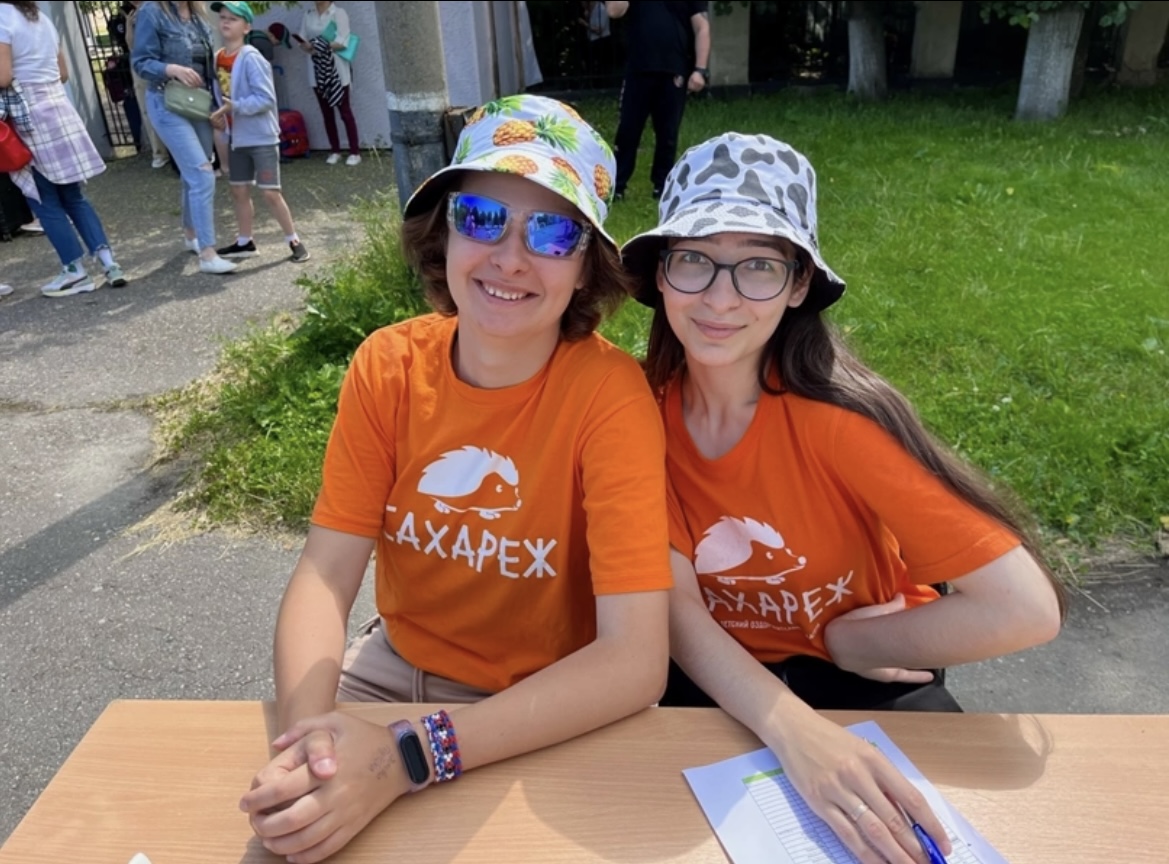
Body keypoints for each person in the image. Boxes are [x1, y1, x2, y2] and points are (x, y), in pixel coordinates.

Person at [237, 94, 670, 864]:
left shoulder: (609, 397)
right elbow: (326, 573)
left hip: (539, 700)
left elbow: (633, 662)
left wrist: (408, 756)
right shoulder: (387, 366)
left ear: (585, 269)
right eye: (481, 218)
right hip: (390, 666)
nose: (509, 258)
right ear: (443, 235)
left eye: (552, 232)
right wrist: (312, 745)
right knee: (288, 837)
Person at [622, 132, 1066, 864]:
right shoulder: (638, 412)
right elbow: (676, 610)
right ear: (661, 273)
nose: (720, 298)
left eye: (758, 266)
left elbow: (1023, 609)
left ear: (799, 284)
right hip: (712, 675)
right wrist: (792, 730)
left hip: (859, 676)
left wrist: (847, 642)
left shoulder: (841, 423)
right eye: (694, 259)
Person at [0, 0, 129, 296]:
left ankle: (75, 271)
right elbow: (63, 73)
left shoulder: (2, 16)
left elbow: (3, 76)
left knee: (44, 199)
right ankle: (109, 263)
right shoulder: (41, 18)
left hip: (29, 115)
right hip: (59, 109)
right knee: (74, 196)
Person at [132, 0, 237, 274]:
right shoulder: (152, 12)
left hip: (197, 104)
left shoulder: (199, 16)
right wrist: (172, 69)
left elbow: (207, 70)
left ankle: (191, 235)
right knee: (203, 174)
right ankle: (208, 254)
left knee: (193, 175)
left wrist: (216, 107)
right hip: (166, 101)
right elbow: (141, 62)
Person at [208, 1, 309, 263]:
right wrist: (220, 115)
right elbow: (220, 96)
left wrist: (235, 107)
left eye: (233, 18)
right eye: (223, 17)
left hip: (261, 137)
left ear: (246, 27)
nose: (226, 22)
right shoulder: (218, 57)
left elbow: (265, 98)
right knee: (238, 190)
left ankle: (294, 240)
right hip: (237, 138)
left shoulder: (252, 57)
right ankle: (245, 241)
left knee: (270, 192)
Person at [605, 0, 709, 201]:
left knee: (668, 133)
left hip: (674, 69)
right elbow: (614, 11)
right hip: (638, 69)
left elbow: (702, 27)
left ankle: (663, 186)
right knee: (628, 131)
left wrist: (700, 70)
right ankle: (616, 186)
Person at [297, 1, 360, 166]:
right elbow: (303, 39)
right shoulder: (308, 14)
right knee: (327, 113)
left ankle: (354, 152)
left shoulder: (338, 13)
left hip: (337, 70)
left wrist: (318, 45)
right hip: (316, 69)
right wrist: (306, 46)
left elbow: (343, 41)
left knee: (345, 112)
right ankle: (335, 150)